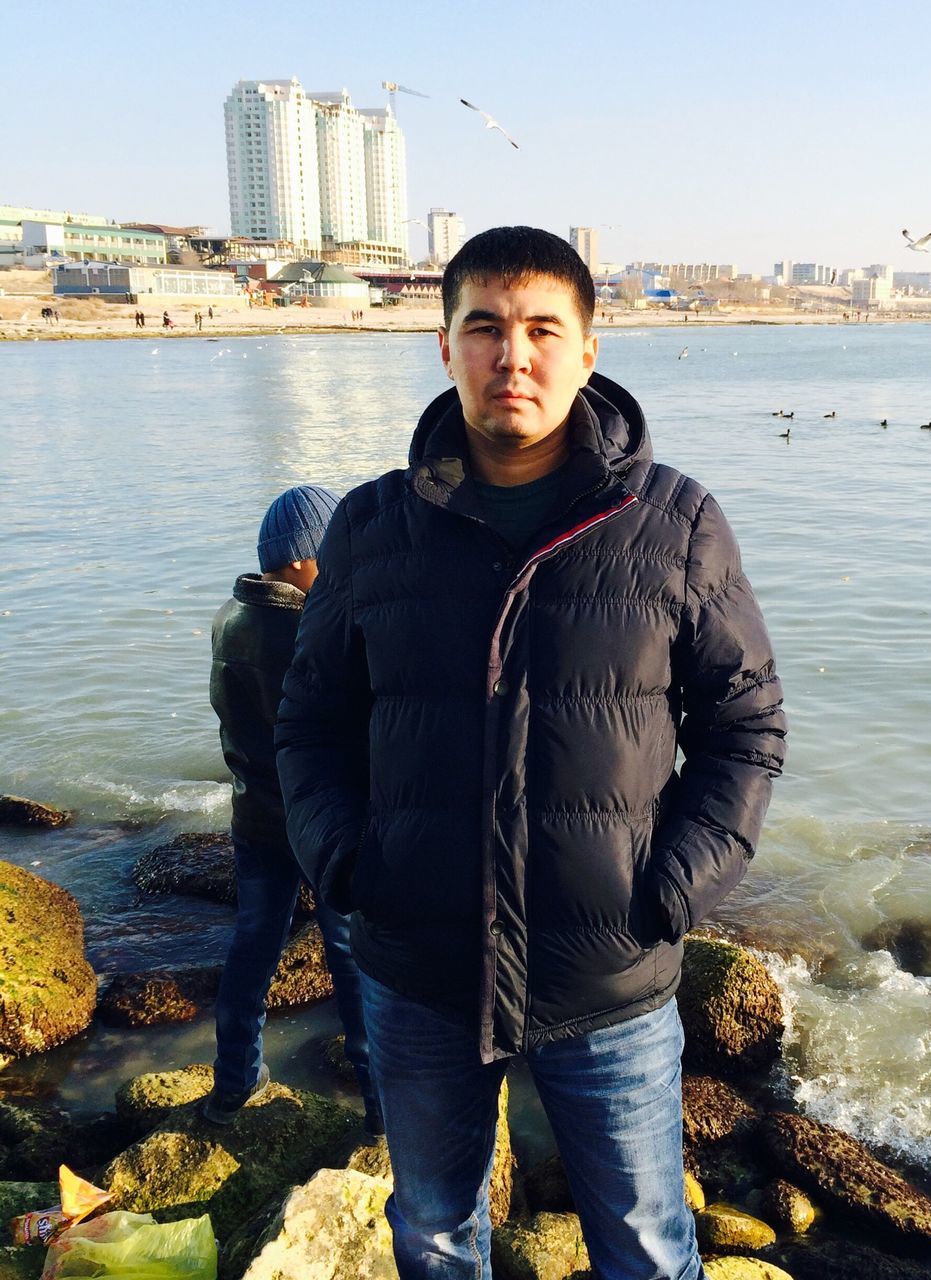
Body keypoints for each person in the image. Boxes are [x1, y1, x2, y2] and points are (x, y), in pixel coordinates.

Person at [276, 226, 785, 1280]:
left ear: (588, 350)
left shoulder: (674, 522)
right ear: (446, 347)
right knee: (432, 1229)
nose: (515, 356)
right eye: (486, 328)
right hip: (417, 969)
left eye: (543, 329)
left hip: (608, 975)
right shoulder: (372, 527)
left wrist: (670, 890)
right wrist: (347, 863)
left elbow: (744, 726)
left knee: (645, 1246)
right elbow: (308, 720)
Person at [204, 485, 382, 1136]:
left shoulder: (231, 616)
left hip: (255, 818)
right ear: (304, 558)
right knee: (353, 958)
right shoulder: (308, 627)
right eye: (334, 552)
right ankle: (381, 1106)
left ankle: (233, 1084)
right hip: (321, 823)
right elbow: (347, 730)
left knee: (252, 947)